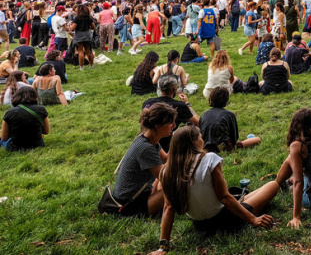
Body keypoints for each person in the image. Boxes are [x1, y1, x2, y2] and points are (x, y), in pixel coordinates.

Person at [146, 126, 277, 255]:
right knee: (272, 185)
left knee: (241, 196)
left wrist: (162, 248)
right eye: (201, 137)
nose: (203, 141)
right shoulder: (209, 159)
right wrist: (253, 219)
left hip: (200, 226)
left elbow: (168, 208)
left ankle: (242, 200)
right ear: (194, 142)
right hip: (227, 220)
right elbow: (224, 197)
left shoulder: (166, 171)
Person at [106, 103, 177, 217]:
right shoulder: (146, 148)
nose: (174, 126)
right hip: (129, 205)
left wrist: (176, 142)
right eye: (170, 123)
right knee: (175, 187)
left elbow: (165, 159)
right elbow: (167, 178)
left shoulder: (148, 138)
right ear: (158, 126)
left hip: (137, 195)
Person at [142, 75, 199, 152]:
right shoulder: (180, 106)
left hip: (146, 140)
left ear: (159, 88)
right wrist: (187, 103)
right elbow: (197, 122)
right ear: (175, 89)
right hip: (166, 145)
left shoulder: (147, 103)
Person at [200, 87, 261, 152]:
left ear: (211, 98)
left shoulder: (203, 115)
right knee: (257, 139)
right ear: (226, 99)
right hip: (226, 148)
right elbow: (234, 138)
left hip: (206, 148)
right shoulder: (229, 115)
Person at [1, 86, 49, 151]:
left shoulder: (9, 113)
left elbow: (4, 137)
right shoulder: (41, 110)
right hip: (37, 145)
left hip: (15, 147)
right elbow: (46, 131)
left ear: (16, 96)